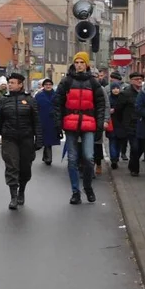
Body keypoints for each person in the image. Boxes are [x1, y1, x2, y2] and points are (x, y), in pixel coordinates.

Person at [53, 52, 105, 205]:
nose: (79, 65)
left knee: (89, 158)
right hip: (70, 122)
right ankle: (75, 191)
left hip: (88, 122)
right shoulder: (67, 81)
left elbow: (101, 105)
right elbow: (57, 103)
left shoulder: (94, 83)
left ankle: (88, 186)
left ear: (87, 64)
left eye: (82, 62)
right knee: (72, 159)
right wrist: (58, 123)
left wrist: (100, 125)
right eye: (77, 62)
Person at [0, 73, 42, 210]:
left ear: (20, 84)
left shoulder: (30, 100)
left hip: (26, 138)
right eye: (9, 82)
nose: (10, 85)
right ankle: (13, 197)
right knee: (12, 166)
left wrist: (39, 139)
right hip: (9, 138)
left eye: (13, 83)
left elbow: (36, 121)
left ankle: (22, 191)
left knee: (25, 168)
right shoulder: (4, 100)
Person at [116, 72, 143, 176]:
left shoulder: (144, 93)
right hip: (130, 124)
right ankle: (134, 170)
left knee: (140, 148)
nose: (139, 81)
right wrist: (124, 122)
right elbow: (118, 110)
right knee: (135, 147)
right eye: (136, 79)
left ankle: (132, 164)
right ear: (131, 81)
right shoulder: (125, 94)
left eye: (140, 79)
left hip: (142, 124)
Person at [34, 78, 60, 166]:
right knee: (44, 139)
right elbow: (35, 108)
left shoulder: (56, 95)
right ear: (43, 86)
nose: (48, 86)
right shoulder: (39, 96)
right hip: (43, 119)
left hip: (53, 120)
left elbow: (60, 106)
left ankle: (47, 157)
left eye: (50, 84)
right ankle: (47, 157)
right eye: (46, 85)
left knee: (49, 139)